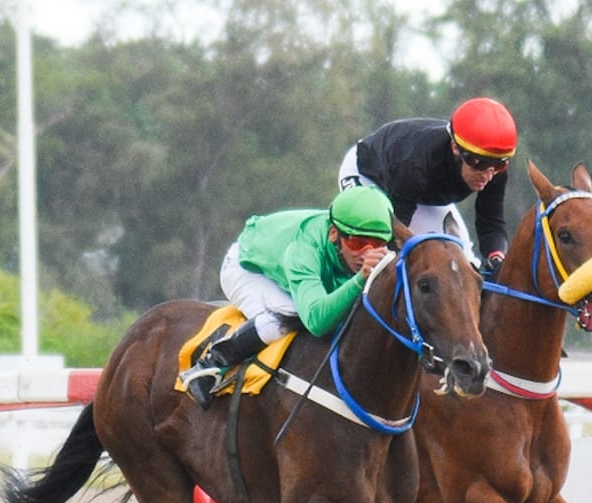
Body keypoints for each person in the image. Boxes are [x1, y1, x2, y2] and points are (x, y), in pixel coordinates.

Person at [179, 185, 395, 409]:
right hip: (247, 267)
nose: (367, 254)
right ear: (333, 233)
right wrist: (360, 279)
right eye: (358, 244)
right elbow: (317, 321)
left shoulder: (367, 250)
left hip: (291, 273)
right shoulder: (305, 249)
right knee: (288, 315)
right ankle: (209, 366)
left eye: (378, 244)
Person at [338, 96, 516, 278]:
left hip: (419, 191)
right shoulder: (416, 164)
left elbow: (491, 222)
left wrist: (496, 258)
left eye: (499, 165)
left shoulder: (493, 170)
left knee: (465, 258)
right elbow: (396, 235)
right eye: (479, 163)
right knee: (383, 258)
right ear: (455, 148)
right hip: (369, 175)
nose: (487, 175)